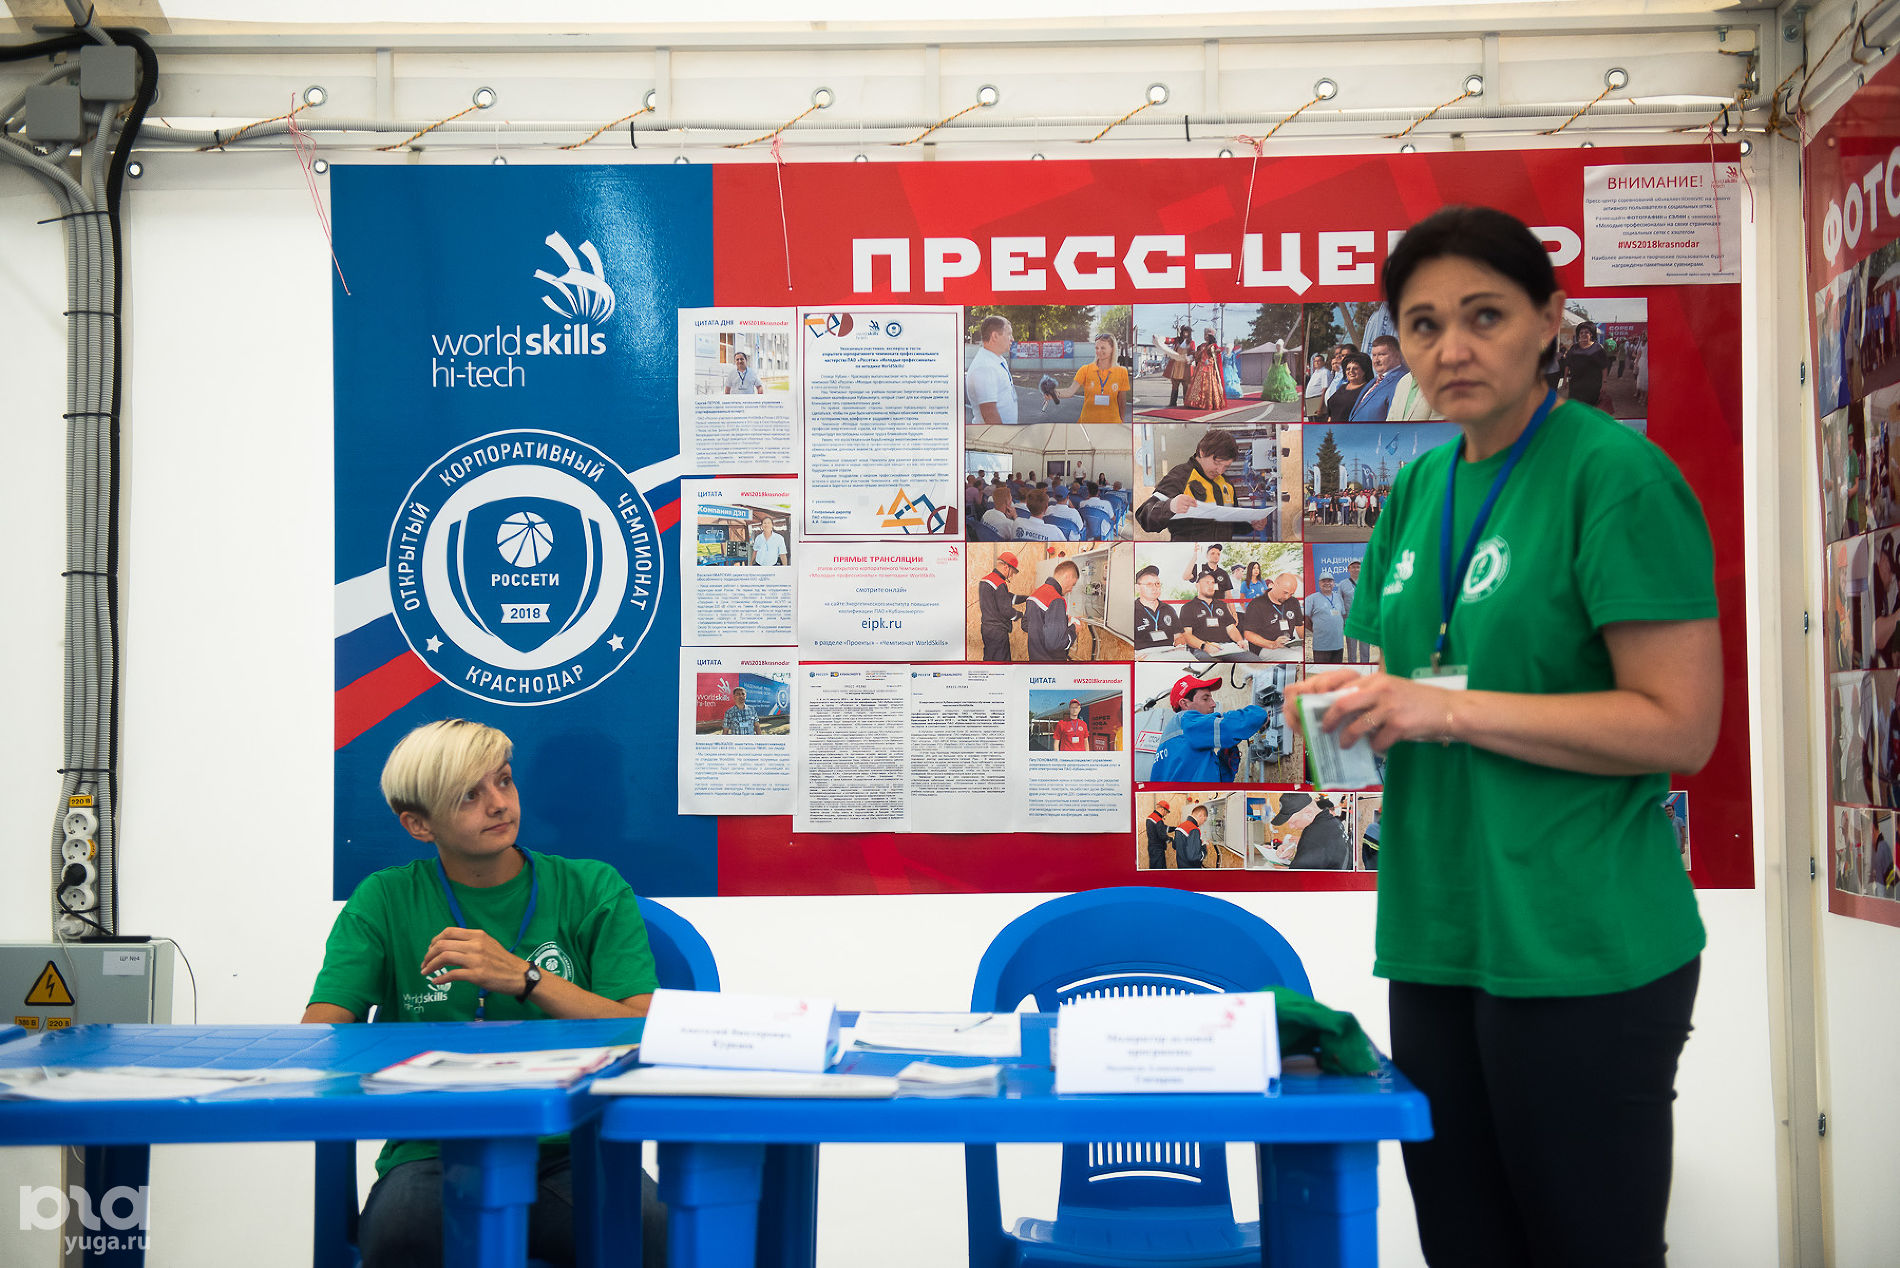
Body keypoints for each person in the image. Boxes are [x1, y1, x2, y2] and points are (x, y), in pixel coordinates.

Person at [1284, 204, 1720, 1267]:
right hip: (1438, 934)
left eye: (1485, 315)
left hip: (1581, 942)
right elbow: (1420, 674)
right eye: (1423, 324)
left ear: (1550, 320)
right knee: (1465, 1249)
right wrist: (1359, 705)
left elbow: (1681, 723)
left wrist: (1444, 708)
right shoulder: (1420, 485)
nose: (1453, 348)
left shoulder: (1613, 475)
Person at [305, 719, 666, 1268]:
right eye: (468, 795)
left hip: (569, 1146)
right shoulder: (384, 898)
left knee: (655, 1235)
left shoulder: (593, 887)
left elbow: (642, 1028)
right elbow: (321, 1038)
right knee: (402, 1240)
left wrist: (526, 978)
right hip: (433, 1148)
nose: (498, 804)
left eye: (503, 780)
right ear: (419, 824)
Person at [1135, 429, 1270, 540]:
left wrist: (1251, 523)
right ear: (1202, 452)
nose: (1220, 471)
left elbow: (1230, 524)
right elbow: (1144, 516)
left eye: (1226, 466)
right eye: (1217, 463)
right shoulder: (1181, 476)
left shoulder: (1227, 484)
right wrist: (1170, 506)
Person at [1150, 672, 1273, 783]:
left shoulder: (1173, 740)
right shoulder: (1185, 720)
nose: (1213, 704)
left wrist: (1228, 753)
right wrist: (1260, 714)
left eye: (1211, 698)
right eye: (1205, 699)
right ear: (1185, 704)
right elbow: (1228, 726)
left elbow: (1218, 780)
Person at [1177, 569, 1257, 662]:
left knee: (1255, 661)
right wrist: (1204, 646)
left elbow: (1231, 628)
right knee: (1216, 666)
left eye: (1213, 583)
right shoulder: (1188, 607)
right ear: (1197, 585)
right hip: (1202, 649)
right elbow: (1187, 635)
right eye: (1207, 582)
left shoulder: (1221, 605)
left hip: (1226, 648)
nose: (1210, 585)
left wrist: (1239, 641)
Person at [1054, 334, 1133, 423]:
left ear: (1112, 349)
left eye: (1103, 348)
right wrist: (1053, 393)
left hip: (1112, 423)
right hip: (1087, 422)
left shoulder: (1122, 372)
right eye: (1096, 348)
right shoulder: (1085, 370)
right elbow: (1070, 391)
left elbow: (1122, 401)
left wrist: (1121, 421)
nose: (1099, 351)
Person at [1238, 572, 1305, 661]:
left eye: (1291, 594)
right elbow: (1248, 634)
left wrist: (1303, 641)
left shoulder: (1293, 602)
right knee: (1296, 657)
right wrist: (1272, 644)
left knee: (1304, 655)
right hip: (1265, 648)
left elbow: (1299, 626)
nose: (1287, 597)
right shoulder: (1256, 604)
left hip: (1289, 644)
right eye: (1285, 592)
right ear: (1275, 584)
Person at [1023, 559, 1082, 661]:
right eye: (1073, 584)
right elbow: (1056, 643)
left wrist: (1062, 620)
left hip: (1035, 660)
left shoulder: (1035, 594)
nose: (1071, 589)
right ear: (1067, 576)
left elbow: (1025, 625)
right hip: (1051, 662)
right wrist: (1074, 629)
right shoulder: (1056, 600)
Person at [967, 314, 1019, 425]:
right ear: (995, 336)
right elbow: (989, 414)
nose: (1012, 339)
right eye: (1009, 334)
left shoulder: (997, 359)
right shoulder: (985, 367)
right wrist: (1003, 435)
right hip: (996, 434)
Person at [976, 551, 1026, 661]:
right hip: (998, 631)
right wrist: (1020, 615)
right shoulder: (999, 583)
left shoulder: (986, 580)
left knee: (990, 659)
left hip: (987, 629)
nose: (1012, 576)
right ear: (1006, 567)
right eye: (1012, 572)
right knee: (1002, 662)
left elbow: (1007, 598)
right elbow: (1006, 611)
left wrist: (1027, 598)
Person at [1348, 335, 1408, 421]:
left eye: (1381, 355)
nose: (1376, 360)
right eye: (1374, 355)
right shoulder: (1374, 381)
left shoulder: (1402, 381)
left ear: (1397, 355)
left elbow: (1394, 420)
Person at [1132, 564, 1185, 655]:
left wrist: (1180, 643)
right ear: (1137, 588)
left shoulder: (1169, 609)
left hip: (1168, 654)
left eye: (1157, 584)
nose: (1155, 588)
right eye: (1149, 584)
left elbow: (1178, 636)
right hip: (1142, 656)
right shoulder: (1130, 611)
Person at [1561, 319, 1609, 410]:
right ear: (1578, 335)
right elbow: (1568, 364)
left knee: (1589, 408)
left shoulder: (1598, 348)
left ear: (1591, 334)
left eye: (1586, 332)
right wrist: (1564, 379)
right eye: (1581, 332)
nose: (1583, 334)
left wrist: (1604, 383)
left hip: (1592, 386)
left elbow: (1604, 366)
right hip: (1575, 385)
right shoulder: (1574, 347)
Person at [1305, 572, 1348, 663]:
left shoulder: (1339, 597)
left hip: (1338, 645)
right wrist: (1314, 629)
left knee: (1336, 670)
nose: (1327, 583)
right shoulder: (1311, 598)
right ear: (1319, 583)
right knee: (1321, 670)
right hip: (1321, 646)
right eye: (1324, 581)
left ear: (1334, 583)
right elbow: (1305, 618)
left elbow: (1343, 615)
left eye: (1330, 581)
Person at [1326, 352, 1373, 422]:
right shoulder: (1342, 387)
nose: (1351, 371)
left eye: (1355, 368)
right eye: (1348, 369)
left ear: (1364, 371)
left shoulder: (1369, 390)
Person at [1339, 559, 1370, 661]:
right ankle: (1352, 666)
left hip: (1364, 621)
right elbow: (1340, 603)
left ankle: (1365, 666)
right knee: (1351, 649)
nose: (1355, 569)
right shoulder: (1342, 584)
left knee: (1365, 649)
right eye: (1353, 567)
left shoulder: (1368, 583)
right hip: (1350, 621)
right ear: (1348, 569)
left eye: (1358, 567)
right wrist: (1342, 621)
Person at [1164, 324, 1193, 408]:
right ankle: (1173, 403)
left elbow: (1192, 352)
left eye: (1187, 332)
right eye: (1184, 332)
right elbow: (1168, 340)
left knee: (1186, 386)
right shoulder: (1177, 340)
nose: (1185, 334)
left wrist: (1189, 358)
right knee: (1174, 385)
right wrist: (1160, 338)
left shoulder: (1192, 342)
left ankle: (1186, 403)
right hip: (1176, 365)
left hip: (1185, 367)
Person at [1171, 804, 1209, 869]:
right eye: (1204, 820)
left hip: (1181, 867)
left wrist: (1198, 842)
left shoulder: (1180, 826)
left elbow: (1175, 845)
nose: (1203, 823)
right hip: (1191, 869)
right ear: (1200, 815)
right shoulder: (1194, 829)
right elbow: (1194, 857)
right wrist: (1205, 848)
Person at [1144, 799, 1174, 869]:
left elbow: (1163, 828)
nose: (1166, 814)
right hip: (1158, 849)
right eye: (1166, 812)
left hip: (1152, 848)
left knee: (1154, 867)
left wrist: (1175, 828)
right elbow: (1162, 836)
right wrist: (1171, 839)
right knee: (1160, 868)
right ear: (1162, 809)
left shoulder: (1151, 817)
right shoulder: (1158, 820)